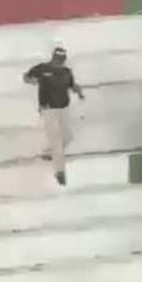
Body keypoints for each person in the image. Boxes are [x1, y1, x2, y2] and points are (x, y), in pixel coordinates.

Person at [23, 45, 84, 187]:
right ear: (53, 57)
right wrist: (32, 81)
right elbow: (26, 76)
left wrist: (78, 91)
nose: (59, 62)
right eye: (57, 59)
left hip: (63, 108)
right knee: (57, 141)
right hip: (48, 109)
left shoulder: (66, 72)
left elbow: (72, 85)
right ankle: (60, 172)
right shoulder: (42, 69)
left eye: (61, 60)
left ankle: (48, 153)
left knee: (68, 137)